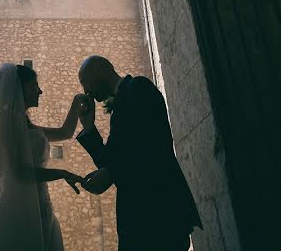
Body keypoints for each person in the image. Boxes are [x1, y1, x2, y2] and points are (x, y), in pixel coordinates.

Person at [0, 63, 88, 251]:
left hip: (38, 204)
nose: (40, 91)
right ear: (19, 88)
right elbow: (21, 173)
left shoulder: (23, 122)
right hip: (20, 209)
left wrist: (76, 103)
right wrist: (63, 173)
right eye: (34, 85)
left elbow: (64, 133)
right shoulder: (8, 120)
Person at [77, 55, 201, 251]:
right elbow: (108, 161)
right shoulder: (117, 111)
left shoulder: (139, 88)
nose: (86, 91)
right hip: (139, 220)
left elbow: (154, 146)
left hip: (159, 213)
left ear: (100, 69)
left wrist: (112, 173)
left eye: (86, 82)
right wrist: (89, 126)